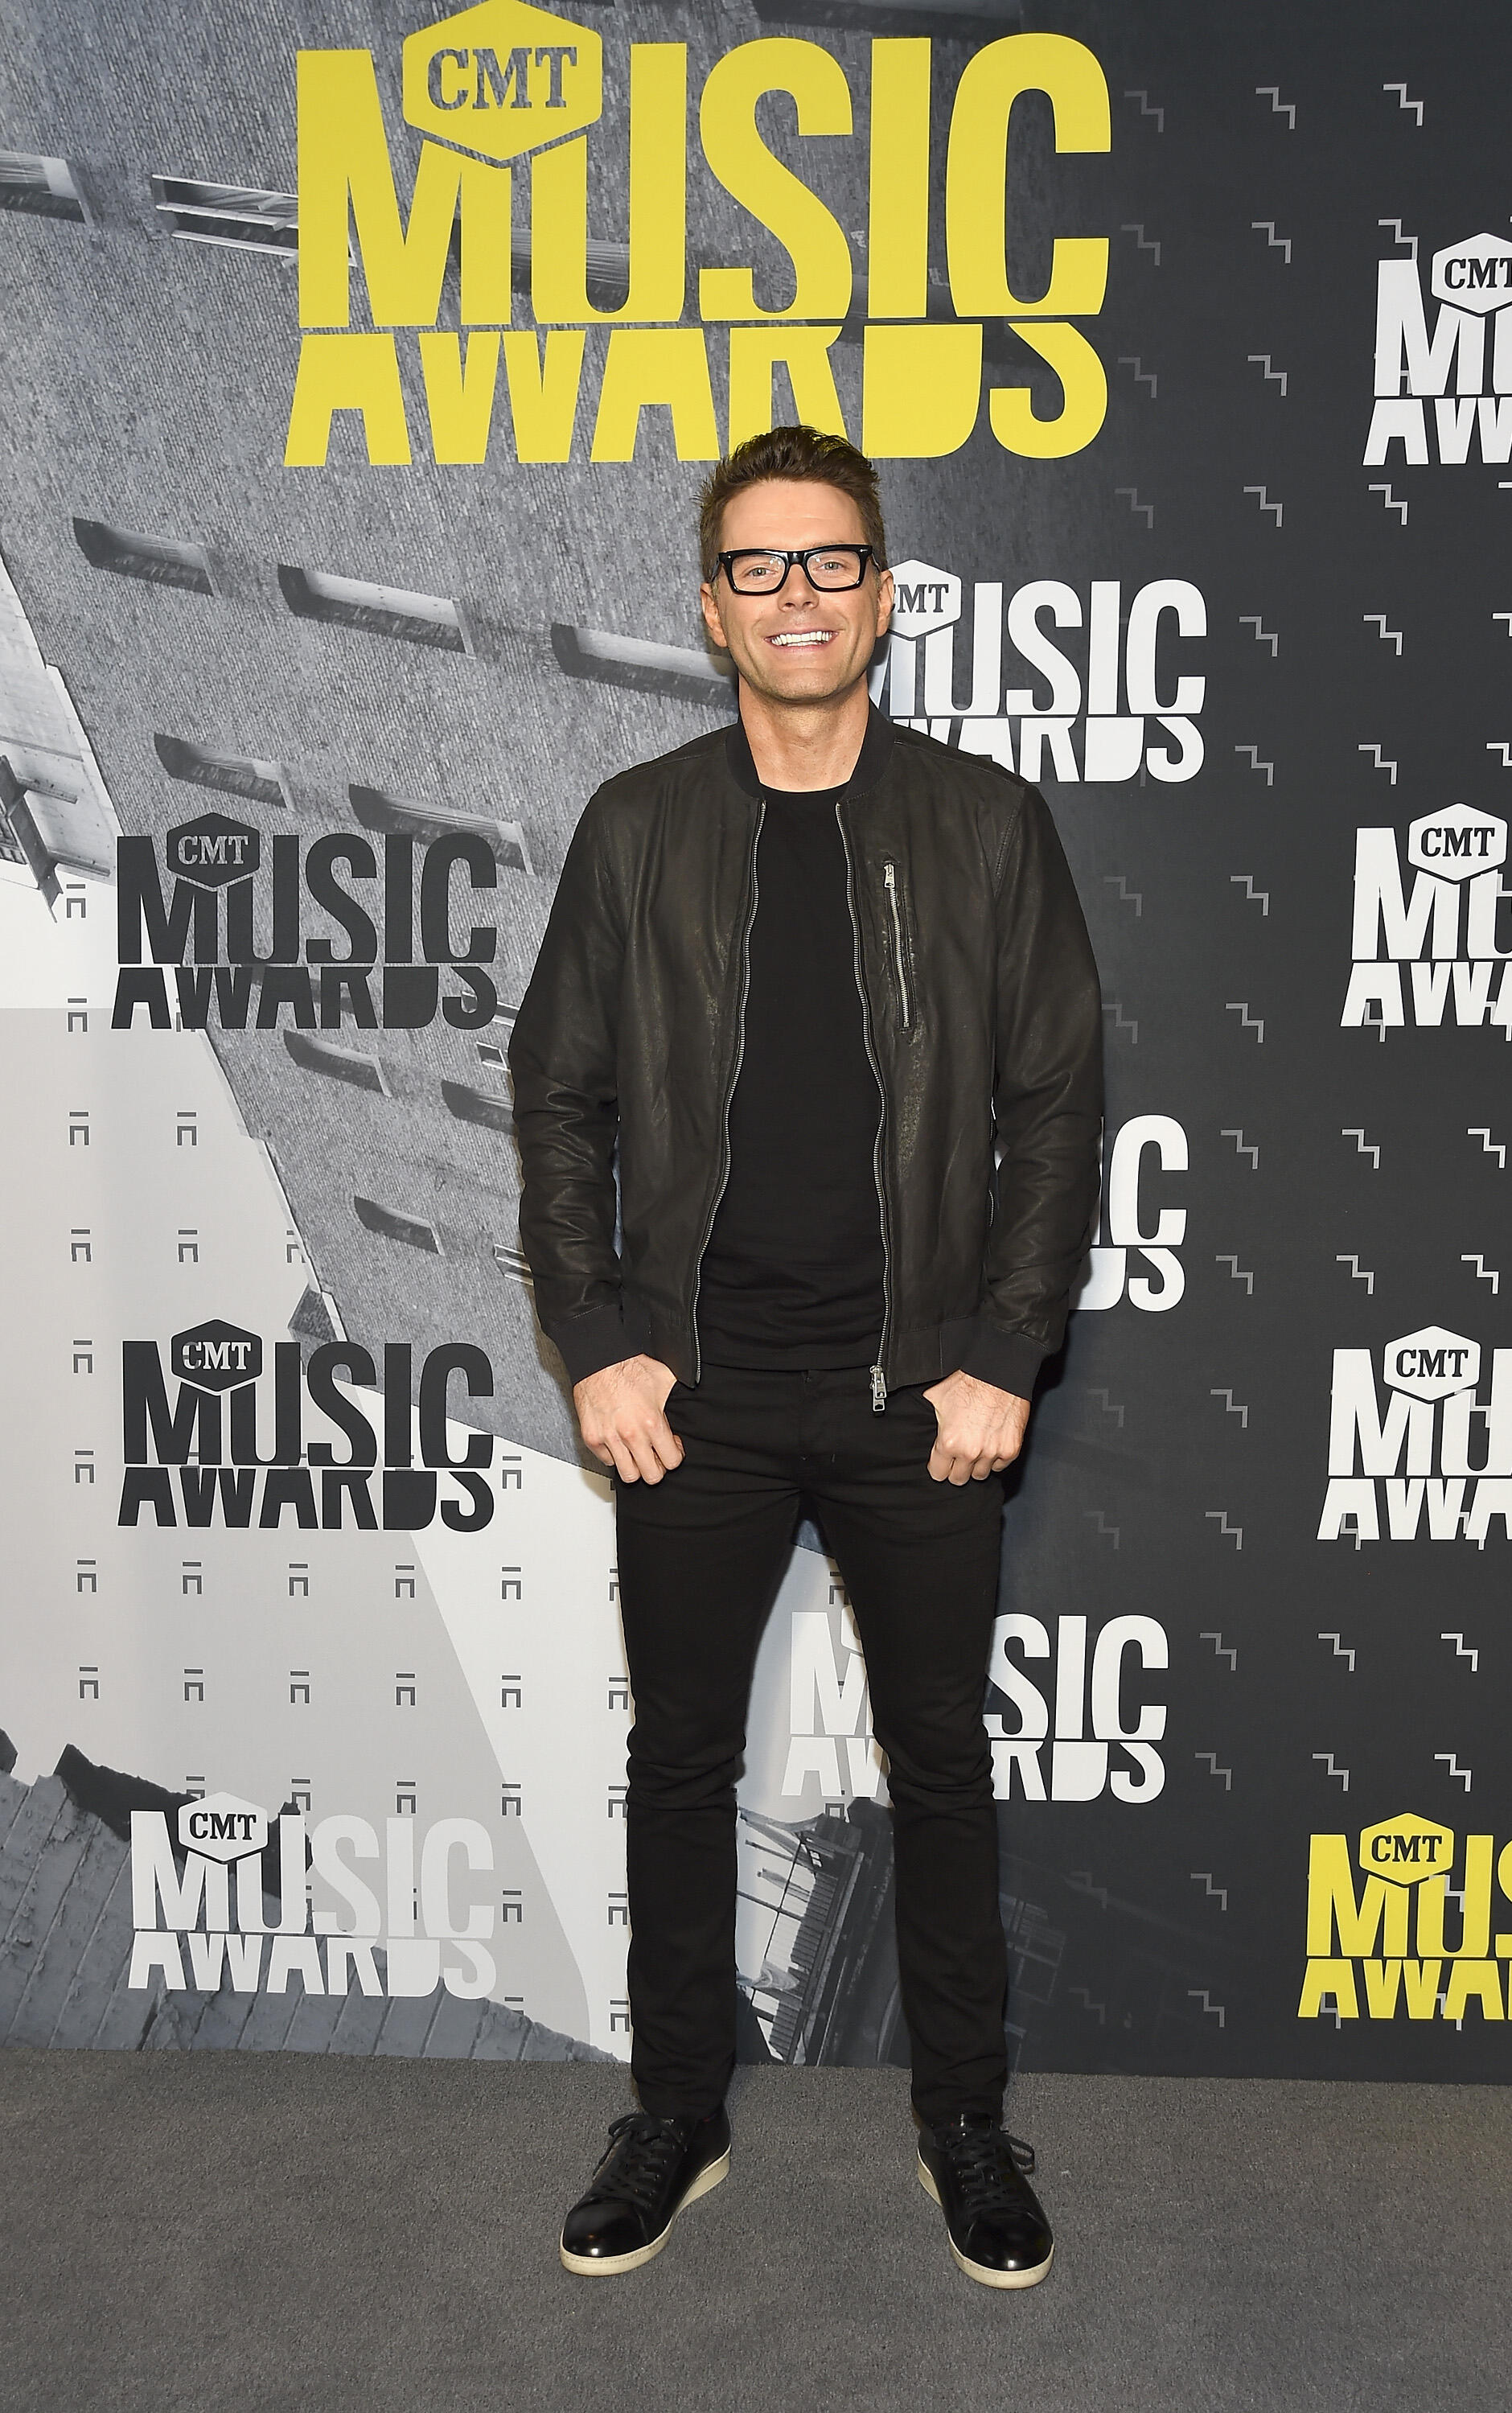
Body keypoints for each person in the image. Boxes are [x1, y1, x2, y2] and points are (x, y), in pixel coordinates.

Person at [511, 425, 1102, 2289]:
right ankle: (676, 2117)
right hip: (691, 1391)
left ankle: (965, 2128)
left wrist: (1006, 1350)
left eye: (830, 562)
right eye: (760, 568)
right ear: (712, 610)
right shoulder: (637, 825)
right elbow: (560, 1104)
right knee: (681, 1762)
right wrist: (599, 1343)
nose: (797, 597)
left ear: (885, 593)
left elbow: (1056, 1104)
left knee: (939, 1762)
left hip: (917, 1387)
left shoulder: (988, 825)